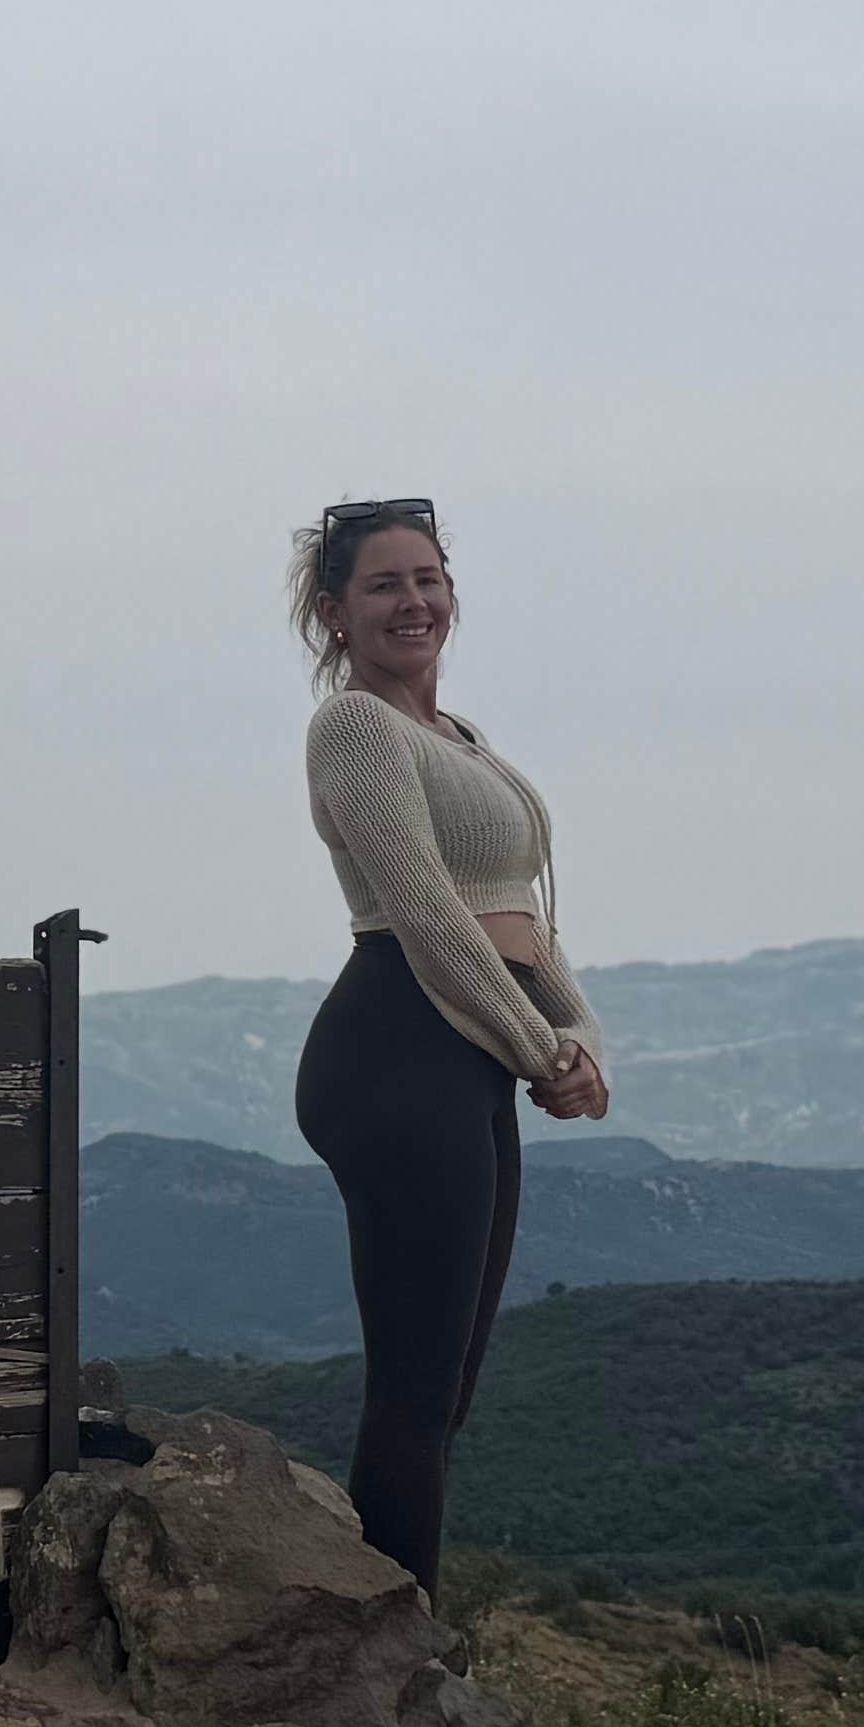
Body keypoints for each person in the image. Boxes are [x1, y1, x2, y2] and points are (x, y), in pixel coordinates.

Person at [285, 495, 606, 1593]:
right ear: (335, 613)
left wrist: (580, 1033)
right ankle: (387, 1662)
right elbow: (424, 911)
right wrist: (535, 1048)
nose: (413, 601)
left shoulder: (459, 741)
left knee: (449, 1387)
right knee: (416, 1388)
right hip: (397, 1050)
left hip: (468, 1052)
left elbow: (517, 908)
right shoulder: (355, 728)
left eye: (428, 578)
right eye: (383, 584)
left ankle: (392, 1637)